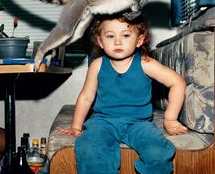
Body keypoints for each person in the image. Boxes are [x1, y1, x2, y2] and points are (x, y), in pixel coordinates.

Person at [57, 13, 188, 174]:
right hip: (103, 122)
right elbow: (86, 96)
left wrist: (171, 119)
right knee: (89, 148)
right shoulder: (97, 65)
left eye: (126, 35)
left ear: (139, 40)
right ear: (100, 42)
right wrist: (76, 126)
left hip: (139, 123)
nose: (117, 41)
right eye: (110, 36)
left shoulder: (146, 63)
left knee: (158, 152)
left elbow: (177, 83)